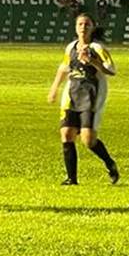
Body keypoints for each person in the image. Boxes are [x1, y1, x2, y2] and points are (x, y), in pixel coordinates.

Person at [48, 13, 121, 185]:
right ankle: (71, 179)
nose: (83, 27)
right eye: (80, 24)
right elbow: (64, 68)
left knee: (88, 140)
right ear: (75, 27)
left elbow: (112, 70)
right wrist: (54, 89)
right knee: (66, 134)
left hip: (91, 97)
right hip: (71, 95)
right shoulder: (71, 47)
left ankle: (110, 164)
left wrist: (93, 62)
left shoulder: (97, 48)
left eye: (87, 24)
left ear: (92, 27)